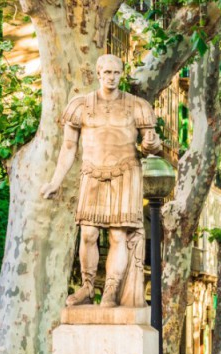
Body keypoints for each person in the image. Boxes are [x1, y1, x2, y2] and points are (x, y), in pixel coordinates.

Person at [41, 54, 162, 307]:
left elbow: (152, 143)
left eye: (116, 73)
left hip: (125, 173)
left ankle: (111, 289)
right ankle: (87, 287)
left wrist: (152, 144)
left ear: (121, 74)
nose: (112, 77)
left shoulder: (137, 106)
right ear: (98, 73)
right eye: (107, 72)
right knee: (88, 234)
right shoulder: (80, 105)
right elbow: (68, 147)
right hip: (92, 173)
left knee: (118, 236)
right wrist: (55, 181)